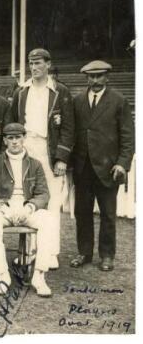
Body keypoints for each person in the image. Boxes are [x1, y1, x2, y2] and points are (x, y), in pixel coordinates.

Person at [10, 48, 74, 269]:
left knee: (53, 200)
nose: (34, 67)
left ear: (48, 64)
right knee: (28, 198)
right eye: (31, 63)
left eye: (38, 63)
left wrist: (62, 158)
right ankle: (29, 251)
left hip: (50, 150)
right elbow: (14, 123)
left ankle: (51, 252)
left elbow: (68, 127)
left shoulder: (60, 91)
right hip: (27, 148)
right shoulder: (21, 92)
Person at [70, 60, 134, 271]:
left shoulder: (119, 100)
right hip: (83, 167)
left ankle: (107, 255)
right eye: (91, 76)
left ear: (107, 77)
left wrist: (122, 164)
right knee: (82, 212)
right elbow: (72, 133)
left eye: (99, 76)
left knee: (108, 213)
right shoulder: (78, 100)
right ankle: (84, 253)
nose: (95, 80)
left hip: (108, 168)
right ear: (86, 78)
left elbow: (127, 136)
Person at [0, 123, 53, 297]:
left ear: (24, 138)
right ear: (5, 140)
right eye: (10, 138)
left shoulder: (35, 164)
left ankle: (39, 275)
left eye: (18, 137)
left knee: (49, 220)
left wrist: (29, 207)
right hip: (4, 208)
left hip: (27, 208)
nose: (14, 142)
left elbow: (43, 193)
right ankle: (2, 275)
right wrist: (3, 208)